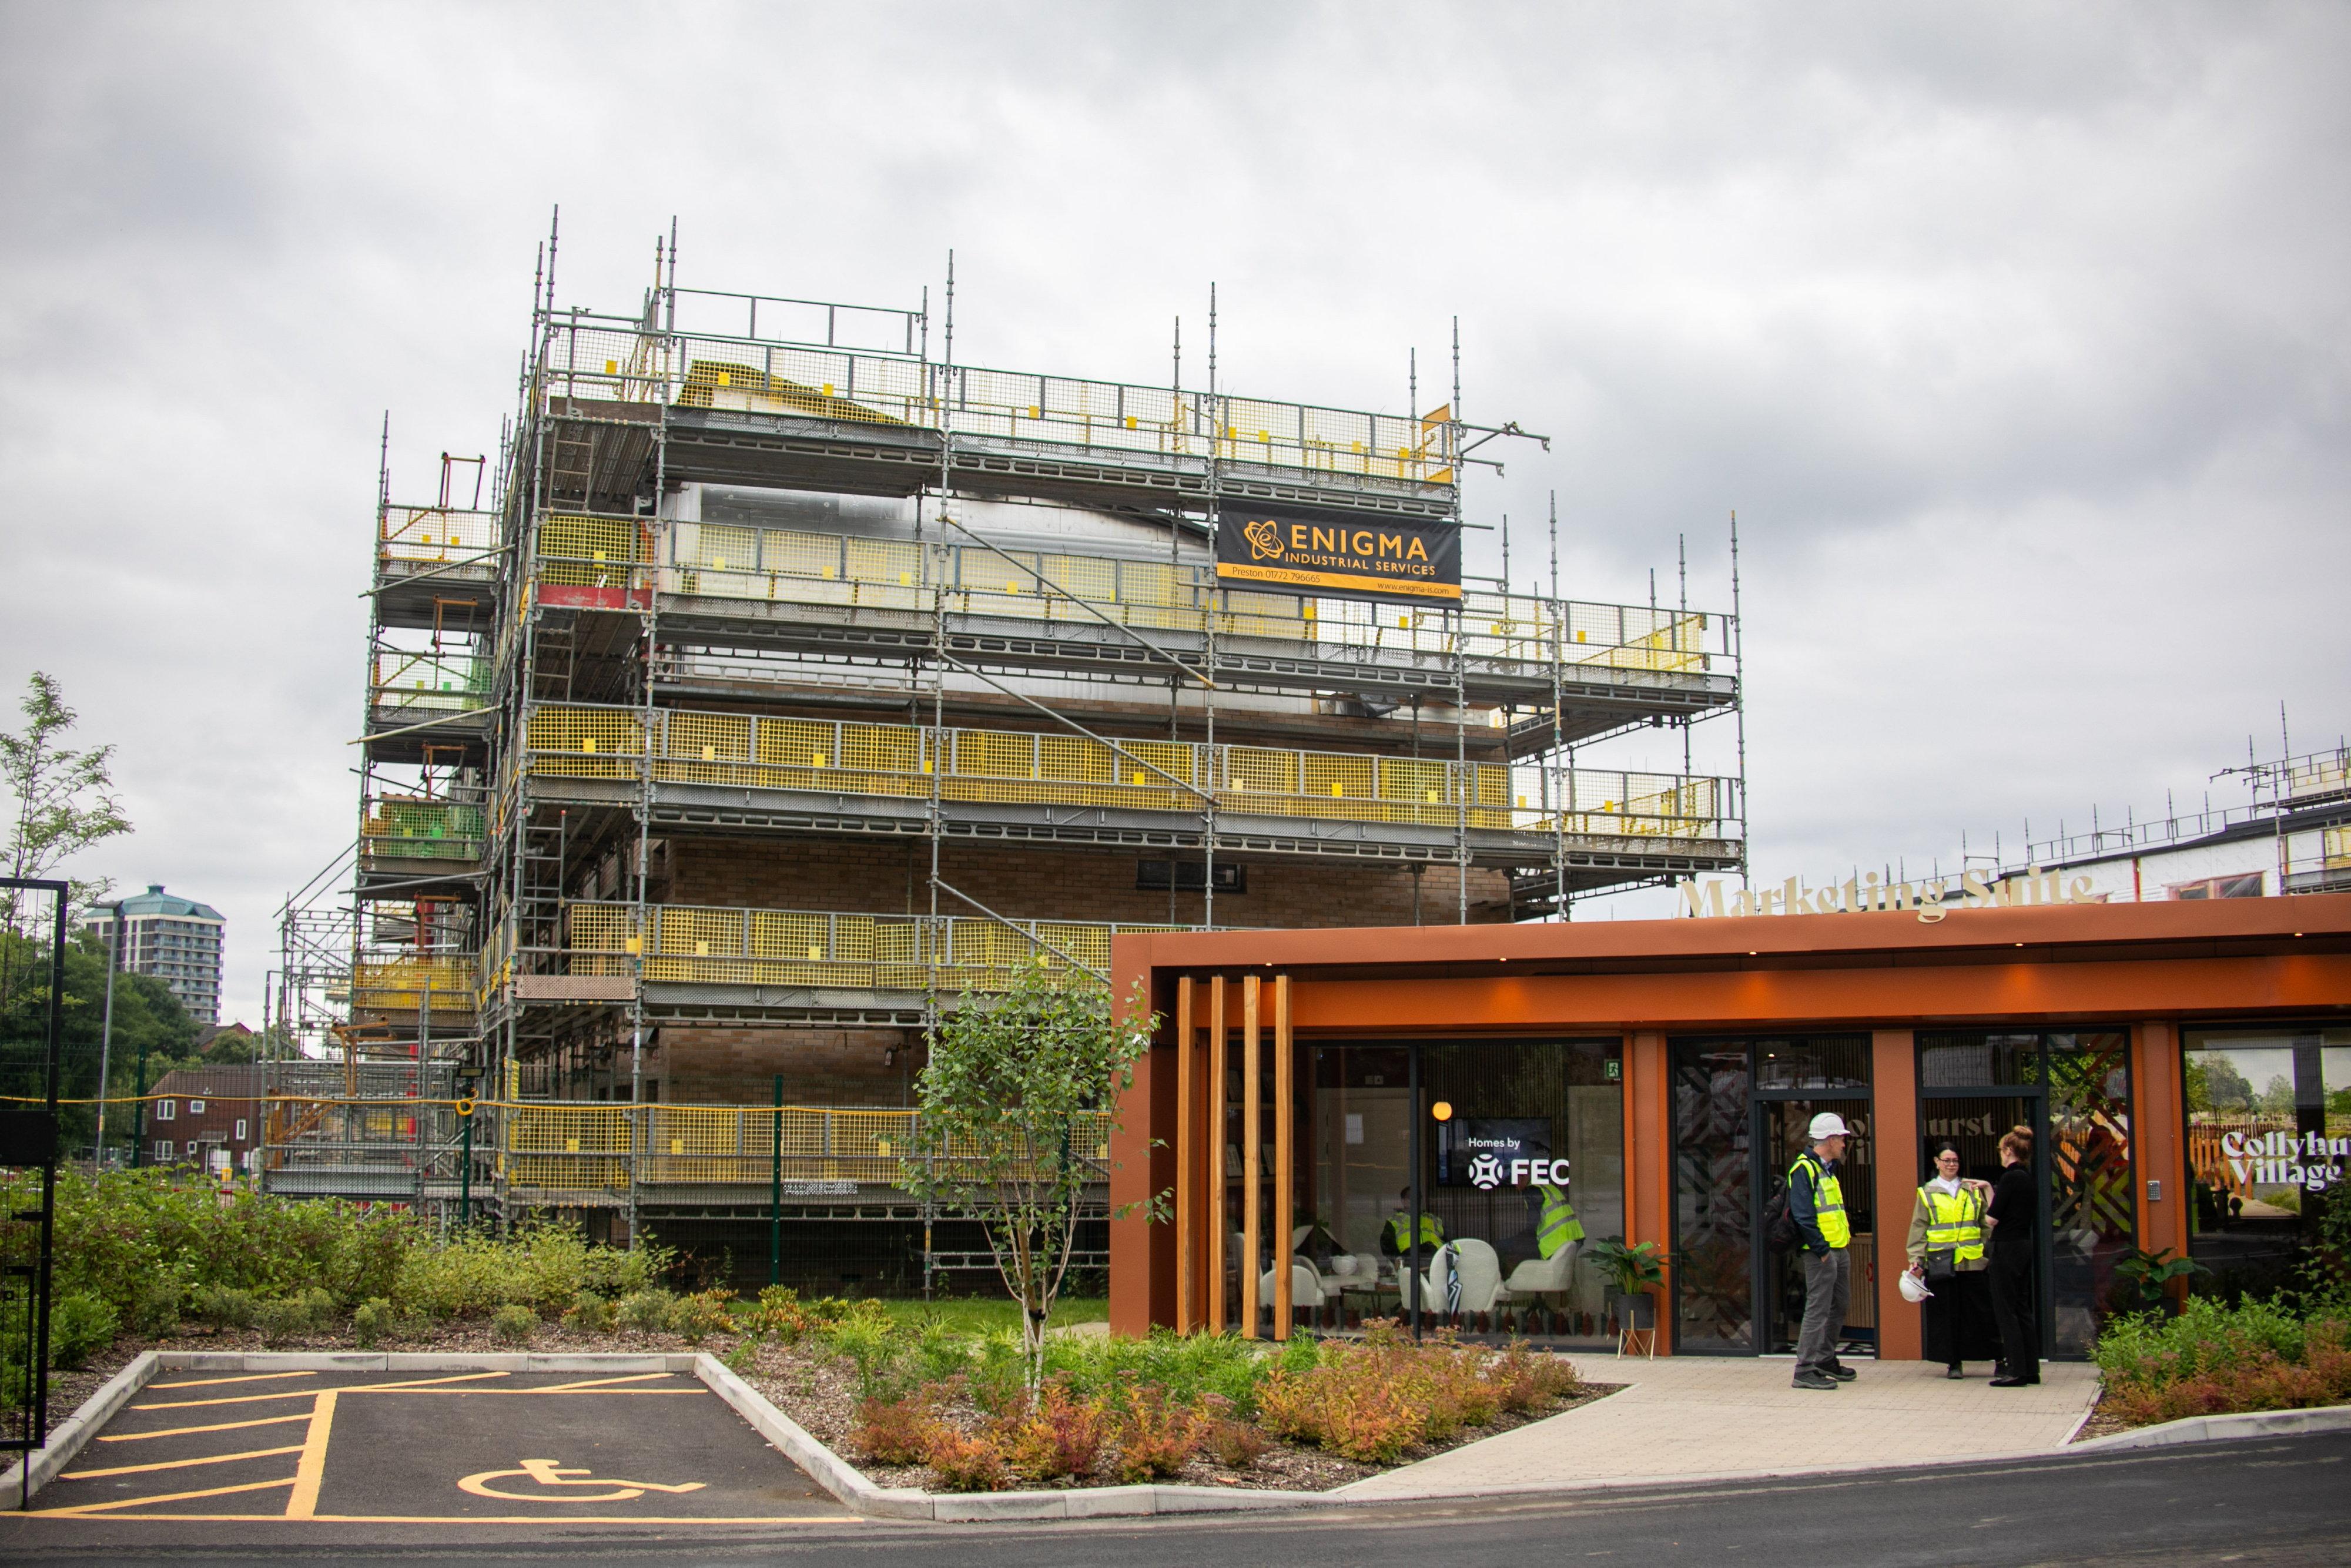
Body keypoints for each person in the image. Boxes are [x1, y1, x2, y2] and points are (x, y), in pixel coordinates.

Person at [1904, 1141, 1997, 1379]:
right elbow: (1919, 1228)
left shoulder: (1972, 1189)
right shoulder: (1927, 1193)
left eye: (1955, 1160)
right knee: (1946, 1314)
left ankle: (1996, 1356)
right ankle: (1953, 1362)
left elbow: (1985, 1224)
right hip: (1941, 1260)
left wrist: (1987, 1252)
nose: (1951, 1165)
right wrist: (1916, 1259)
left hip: (1973, 1260)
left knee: (1980, 1312)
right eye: (1947, 1160)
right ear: (1937, 1162)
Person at [1787, 1111, 1857, 1391]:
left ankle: (1826, 1359)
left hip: (1838, 1249)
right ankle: (1804, 1369)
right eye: (1841, 1138)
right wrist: (1823, 1252)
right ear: (1829, 1140)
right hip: (1822, 1253)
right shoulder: (1804, 1169)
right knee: (1817, 1310)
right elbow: (1804, 1217)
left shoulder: (1826, 1169)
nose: (1843, 1144)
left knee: (1839, 1305)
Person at [1986, 1124, 2041, 1387]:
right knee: (2022, 1307)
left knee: (2005, 1309)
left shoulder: (2009, 1178)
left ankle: (2015, 1370)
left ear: (2008, 1150)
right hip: (2023, 1244)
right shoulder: (2028, 1177)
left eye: (2001, 1150)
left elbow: (1992, 1218)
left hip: (2005, 1246)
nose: (2000, 1154)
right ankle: (2031, 1369)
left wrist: (1987, 1192)